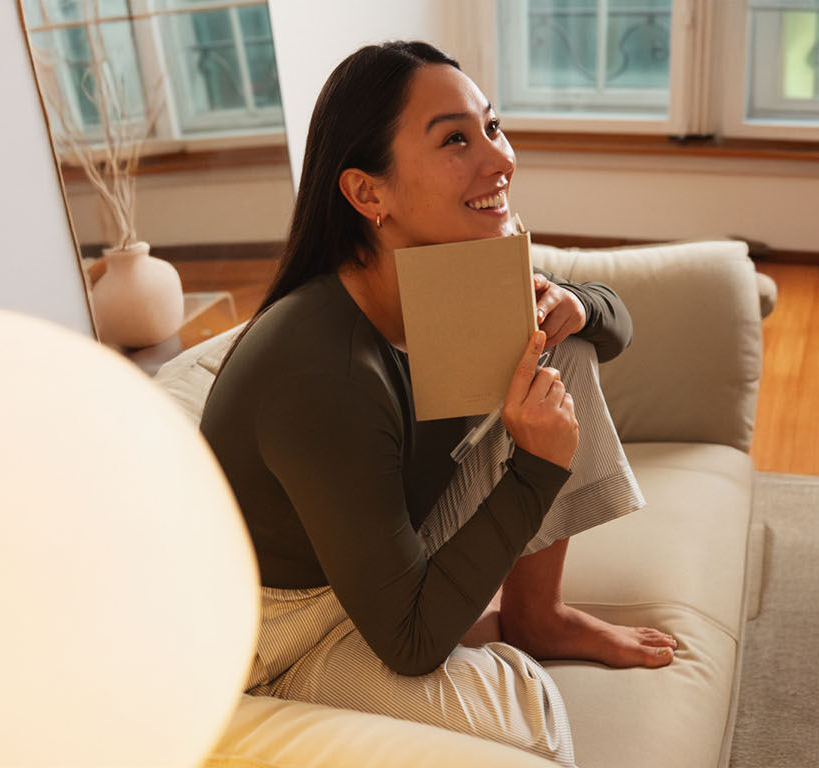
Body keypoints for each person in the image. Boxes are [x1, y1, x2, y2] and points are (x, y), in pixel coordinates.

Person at [200, 41, 675, 766]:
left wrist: (575, 303)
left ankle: (536, 617)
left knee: (562, 345)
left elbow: (614, 328)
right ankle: (306, 693)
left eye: (492, 127)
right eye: (456, 139)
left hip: (387, 552)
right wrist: (536, 470)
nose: (500, 159)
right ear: (368, 195)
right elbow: (413, 644)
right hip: (285, 629)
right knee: (522, 721)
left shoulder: (454, 272)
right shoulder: (323, 371)